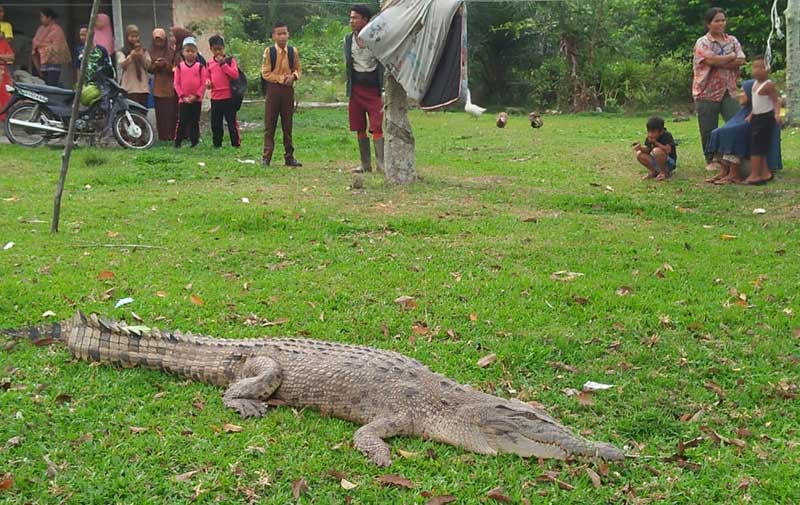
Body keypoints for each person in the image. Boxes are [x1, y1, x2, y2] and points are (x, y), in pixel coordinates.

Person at [693, 7, 745, 168]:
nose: (721, 23)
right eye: (717, 20)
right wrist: (730, 57)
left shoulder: (732, 40)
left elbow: (741, 59)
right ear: (709, 24)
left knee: (737, 122)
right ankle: (711, 159)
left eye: (723, 20)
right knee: (708, 127)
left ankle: (734, 156)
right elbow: (710, 60)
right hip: (706, 90)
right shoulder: (703, 42)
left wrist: (722, 60)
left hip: (729, 89)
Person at [706, 79, 782, 185]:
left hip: (754, 165)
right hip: (745, 161)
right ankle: (725, 171)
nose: (739, 95)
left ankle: (734, 174)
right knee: (719, 133)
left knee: (734, 134)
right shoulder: (746, 111)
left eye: (743, 91)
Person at [345, 4, 384, 173]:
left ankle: (381, 165)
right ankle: (365, 164)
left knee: (377, 126)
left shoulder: (376, 39)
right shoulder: (348, 40)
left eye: (355, 18)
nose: (351, 21)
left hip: (374, 90)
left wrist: (383, 89)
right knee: (359, 126)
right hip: (356, 89)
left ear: (365, 20)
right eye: (351, 17)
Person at [261, 21, 302, 167]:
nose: (282, 37)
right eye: (279, 34)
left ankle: (289, 157)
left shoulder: (293, 51)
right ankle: (266, 157)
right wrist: (281, 79)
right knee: (270, 124)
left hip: (288, 91)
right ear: (274, 36)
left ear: (288, 34)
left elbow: (298, 68)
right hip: (273, 90)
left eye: (284, 33)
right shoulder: (269, 52)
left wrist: (294, 76)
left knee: (287, 124)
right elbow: (265, 73)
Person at [745, 56, 781, 185]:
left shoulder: (768, 85)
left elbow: (776, 101)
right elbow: (756, 103)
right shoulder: (755, 84)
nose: (757, 70)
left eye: (761, 67)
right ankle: (765, 173)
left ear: (768, 69)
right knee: (759, 147)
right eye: (755, 67)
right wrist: (751, 114)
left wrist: (777, 114)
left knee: (756, 147)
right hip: (756, 117)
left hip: (765, 118)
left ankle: (754, 175)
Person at [207, 35, 241, 148]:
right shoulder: (209, 64)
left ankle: (235, 144)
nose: (218, 52)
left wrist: (223, 64)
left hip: (229, 97)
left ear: (224, 48)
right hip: (215, 98)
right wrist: (208, 82)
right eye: (215, 49)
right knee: (216, 124)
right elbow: (207, 77)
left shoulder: (230, 61)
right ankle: (217, 144)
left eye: (220, 49)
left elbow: (235, 75)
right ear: (211, 49)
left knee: (231, 122)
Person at [173, 36, 207, 148]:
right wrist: (183, 96)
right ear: (183, 52)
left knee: (194, 122)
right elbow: (176, 84)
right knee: (182, 121)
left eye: (193, 51)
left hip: (196, 100)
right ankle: (177, 142)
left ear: (196, 53)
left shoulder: (200, 67)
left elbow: (203, 84)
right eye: (187, 51)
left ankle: (194, 142)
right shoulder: (179, 67)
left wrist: (196, 96)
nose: (190, 53)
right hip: (183, 100)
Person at [149, 28, 178, 142]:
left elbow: (176, 68)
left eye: (160, 40)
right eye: (156, 41)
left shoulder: (172, 52)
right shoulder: (150, 52)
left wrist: (165, 65)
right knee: (160, 114)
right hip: (158, 87)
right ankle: (163, 137)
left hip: (170, 86)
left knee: (170, 112)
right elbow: (149, 69)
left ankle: (171, 136)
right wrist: (156, 65)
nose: (158, 43)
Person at [31, 8, 71, 86]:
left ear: (49, 17)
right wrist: (40, 47)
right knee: (40, 85)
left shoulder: (57, 30)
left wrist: (42, 47)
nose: (41, 19)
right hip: (39, 63)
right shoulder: (40, 29)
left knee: (51, 86)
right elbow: (35, 42)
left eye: (42, 17)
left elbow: (58, 47)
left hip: (53, 65)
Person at [116, 25, 151, 107]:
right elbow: (122, 64)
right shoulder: (122, 51)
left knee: (142, 114)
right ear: (127, 37)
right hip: (129, 88)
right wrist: (131, 57)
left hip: (142, 88)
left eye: (136, 36)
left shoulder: (144, 50)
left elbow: (148, 65)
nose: (135, 39)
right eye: (132, 36)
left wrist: (141, 56)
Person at [633, 116, 677, 181]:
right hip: (657, 161)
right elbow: (648, 150)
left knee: (657, 151)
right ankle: (653, 171)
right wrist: (640, 148)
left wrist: (656, 143)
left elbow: (668, 150)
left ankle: (663, 173)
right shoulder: (649, 138)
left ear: (661, 131)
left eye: (653, 132)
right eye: (649, 131)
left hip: (669, 163)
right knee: (639, 154)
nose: (650, 134)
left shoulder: (667, 136)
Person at [0, 28, 14, 121]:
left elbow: (11, 57)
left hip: (2, 72)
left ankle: (4, 115)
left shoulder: (3, 43)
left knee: (5, 92)